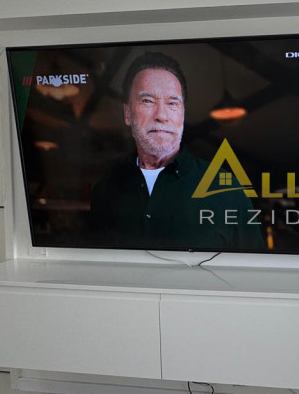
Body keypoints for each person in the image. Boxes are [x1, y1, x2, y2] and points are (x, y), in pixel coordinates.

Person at [90, 51, 262, 251]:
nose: (161, 116)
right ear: (127, 113)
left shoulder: (226, 191)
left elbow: (256, 267)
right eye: (147, 101)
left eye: (172, 103)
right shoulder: (105, 191)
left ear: (183, 114)